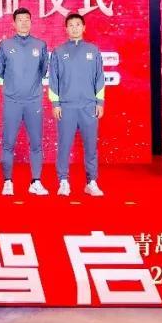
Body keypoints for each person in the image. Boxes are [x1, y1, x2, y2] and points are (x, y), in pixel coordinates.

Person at [49, 12, 106, 197]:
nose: (74, 28)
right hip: (66, 107)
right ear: (66, 29)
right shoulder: (58, 52)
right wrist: (56, 103)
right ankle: (63, 181)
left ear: (84, 27)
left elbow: (99, 78)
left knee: (90, 147)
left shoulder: (93, 50)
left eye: (78, 25)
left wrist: (100, 102)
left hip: (89, 107)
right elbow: (53, 80)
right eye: (71, 25)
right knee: (64, 146)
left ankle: (91, 182)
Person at [0, 7, 50, 196]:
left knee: (36, 143)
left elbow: (43, 71)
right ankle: (7, 182)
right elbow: (0, 70)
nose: (24, 23)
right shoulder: (5, 45)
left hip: (33, 101)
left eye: (27, 19)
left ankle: (36, 182)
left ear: (31, 22)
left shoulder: (40, 45)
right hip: (12, 101)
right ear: (14, 23)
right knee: (8, 143)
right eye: (20, 20)